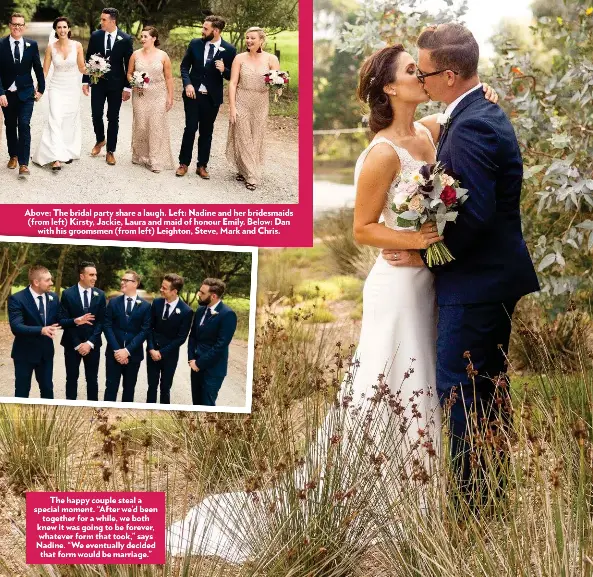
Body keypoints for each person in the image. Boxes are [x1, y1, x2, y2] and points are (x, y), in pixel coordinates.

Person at [168, 40, 507, 559]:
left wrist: (482, 91)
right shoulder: (379, 153)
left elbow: (457, 117)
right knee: (390, 375)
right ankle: (379, 492)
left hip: (431, 280)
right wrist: (422, 242)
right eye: (413, 70)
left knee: (426, 377)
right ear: (391, 87)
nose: (424, 75)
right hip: (396, 284)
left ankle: (427, 488)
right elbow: (363, 230)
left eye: (425, 69)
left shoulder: (430, 132)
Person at [383, 24, 540, 507]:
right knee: (487, 388)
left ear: (450, 75)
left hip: (477, 281)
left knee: (463, 391)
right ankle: (491, 495)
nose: (422, 81)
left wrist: (420, 253)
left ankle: (476, 507)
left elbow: (473, 216)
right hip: (489, 277)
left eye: (426, 72)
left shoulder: (471, 123)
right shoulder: (470, 111)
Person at [176, 16, 236, 179]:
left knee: (207, 131)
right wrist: (187, 84)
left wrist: (224, 70)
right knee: (190, 128)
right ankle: (183, 163)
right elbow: (184, 66)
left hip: (211, 99)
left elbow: (233, 77)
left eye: (206, 29)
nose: (202, 31)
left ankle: (202, 166)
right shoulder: (195, 43)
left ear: (216, 31)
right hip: (192, 95)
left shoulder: (229, 50)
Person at [226, 26, 279, 191]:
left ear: (261, 40)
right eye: (247, 38)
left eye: (252, 38)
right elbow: (233, 83)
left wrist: (279, 85)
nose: (248, 41)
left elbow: (277, 82)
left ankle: (245, 169)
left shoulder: (271, 59)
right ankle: (252, 175)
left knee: (256, 136)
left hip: (261, 101)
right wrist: (232, 107)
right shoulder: (239, 58)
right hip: (242, 98)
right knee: (243, 136)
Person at [32, 16, 85, 171]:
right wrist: (39, 89)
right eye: (59, 27)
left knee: (69, 120)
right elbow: (45, 71)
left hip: (72, 88)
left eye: (64, 27)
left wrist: (97, 70)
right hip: (56, 87)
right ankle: (55, 157)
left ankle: (65, 151)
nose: (62, 30)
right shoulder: (51, 47)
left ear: (69, 29)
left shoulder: (77, 46)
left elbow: (82, 68)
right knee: (55, 118)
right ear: (55, 30)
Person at [82, 7, 133, 166]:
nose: (101, 22)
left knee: (113, 117)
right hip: (98, 82)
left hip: (116, 84)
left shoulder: (125, 38)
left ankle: (111, 150)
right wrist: (86, 81)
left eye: (104, 20)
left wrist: (127, 87)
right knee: (96, 114)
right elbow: (89, 58)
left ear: (113, 21)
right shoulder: (96, 35)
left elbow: (129, 64)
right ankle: (100, 140)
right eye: (101, 19)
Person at [0, 12, 45, 179]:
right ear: (10, 25)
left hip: (26, 93)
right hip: (7, 95)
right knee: (11, 126)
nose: (17, 27)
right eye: (14, 24)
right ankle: (13, 155)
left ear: (24, 27)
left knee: (24, 125)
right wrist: (0, 93)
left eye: (20, 24)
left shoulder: (31, 45)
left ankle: (24, 163)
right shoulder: (1, 44)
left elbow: (38, 69)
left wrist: (41, 89)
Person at [127, 26, 175, 173]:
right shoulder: (135, 55)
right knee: (141, 125)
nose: (142, 39)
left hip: (158, 94)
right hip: (140, 94)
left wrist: (170, 97)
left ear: (154, 38)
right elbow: (129, 74)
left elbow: (168, 78)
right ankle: (140, 154)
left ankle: (154, 159)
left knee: (155, 126)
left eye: (145, 36)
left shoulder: (163, 56)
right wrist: (135, 82)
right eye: (141, 36)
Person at [8, 266, 60, 398]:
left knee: (48, 390)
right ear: (36, 282)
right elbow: (16, 326)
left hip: (46, 354)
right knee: (22, 391)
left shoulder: (53, 297)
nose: (51, 283)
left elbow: (59, 320)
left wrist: (76, 320)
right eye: (48, 280)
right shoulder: (17, 299)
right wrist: (41, 330)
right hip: (24, 354)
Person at [59, 261, 106, 401]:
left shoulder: (100, 295)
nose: (95, 278)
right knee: (72, 378)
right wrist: (78, 344)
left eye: (95, 275)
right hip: (72, 344)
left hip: (92, 345)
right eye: (91, 275)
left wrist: (90, 342)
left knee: (92, 380)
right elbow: (62, 321)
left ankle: (93, 408)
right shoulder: (67, 294)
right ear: (81, 276)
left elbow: (102, 322)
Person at [187, 278, 237, 405]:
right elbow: (192, 336)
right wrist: (191, 359)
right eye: (199, 291)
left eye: (202, 293)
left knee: (207, 406)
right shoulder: (200, 310)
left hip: (213, 370)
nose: (199, 294)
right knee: (196, 404)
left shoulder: (227, 314)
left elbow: (220, 345)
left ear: (213, 296)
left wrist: (199, 363)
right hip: (195, 366)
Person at [103, 270, 151, 402]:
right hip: (113, 354)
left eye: (126, 280)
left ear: (135, 283)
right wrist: (117, 351)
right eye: (122, 280)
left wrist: (127, 351)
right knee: (110, 387)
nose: (122, 282)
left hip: (133, 355)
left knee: (129, 389)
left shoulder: (146, 306)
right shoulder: (113, 302)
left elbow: (144, 331)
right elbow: (107, 326)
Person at [146, 274, 193, 404]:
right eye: (162, 286)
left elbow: (181, 338)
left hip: (169, 355)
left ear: (174, 291)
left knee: (165, 388)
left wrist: (162, 352)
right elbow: (149, 327)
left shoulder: (186, 311)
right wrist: (151, 348)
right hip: (152, 352)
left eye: (164, 288)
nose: (161, 289)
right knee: (151, 387)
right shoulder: (156, 303)